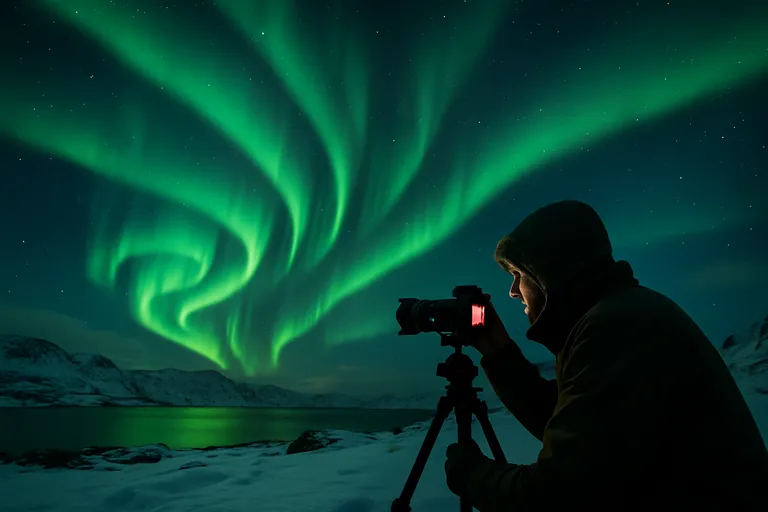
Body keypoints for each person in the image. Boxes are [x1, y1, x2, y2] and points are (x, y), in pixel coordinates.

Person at [443, 200, 768, 511]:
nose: (513, 291)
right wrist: (497, 349)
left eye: (518, 274)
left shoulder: (615, 328)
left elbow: (557, 495)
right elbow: (583, 433)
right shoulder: (616, 316)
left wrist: (472, 476)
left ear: (549, 273)